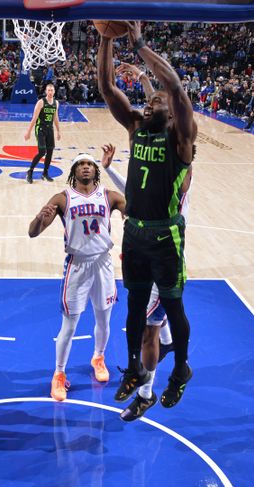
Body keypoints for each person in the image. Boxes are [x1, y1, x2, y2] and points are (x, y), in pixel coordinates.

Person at [97, 21, 197, 416]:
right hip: (134, 234)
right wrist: (105, 39)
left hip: (164, 238)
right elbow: (107, 89)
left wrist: (138, 45)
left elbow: (173, 88)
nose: (151, 101)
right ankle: (138, 371)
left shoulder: (182, 138)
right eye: (148, 99)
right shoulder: (137, 127)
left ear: (172, 112)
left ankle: (176, 371)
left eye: (158, 101)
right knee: (136, 311)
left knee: (165, 316)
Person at [101, 141, 194, 421]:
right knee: (154, 324)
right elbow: (134, 188)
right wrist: (108, 169)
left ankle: (145, 395)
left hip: (165, 267)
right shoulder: (158, 182)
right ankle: (166, 344)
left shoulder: (177, 189)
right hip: (149, 261)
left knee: (146, 332)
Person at [28, 153, 126, 401]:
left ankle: (98, 357)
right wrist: (40, 218)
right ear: (73, 171)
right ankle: (59, 374)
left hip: (103, 264)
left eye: (89, 165)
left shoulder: (109, 195)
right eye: (80, 164)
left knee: (104, 320)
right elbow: (33, 232)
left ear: (95, 170)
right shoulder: (62, 198)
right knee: (69, 326)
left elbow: (136, 211)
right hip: (78, 266)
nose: (85, 168)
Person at [23, 82, 61, 184]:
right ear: (45, 91)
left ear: (54, 91)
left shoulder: (56, 103)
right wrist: (28, 132)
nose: (50, 92)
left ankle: (45, 173)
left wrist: (58, 131)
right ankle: (30, 171)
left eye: (52, 90)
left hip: (50, 129)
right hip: (40, 128)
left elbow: (55, 117)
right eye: (48, 90)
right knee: (42, 151)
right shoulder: (41, 102)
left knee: (50, 151)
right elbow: (34, 118)